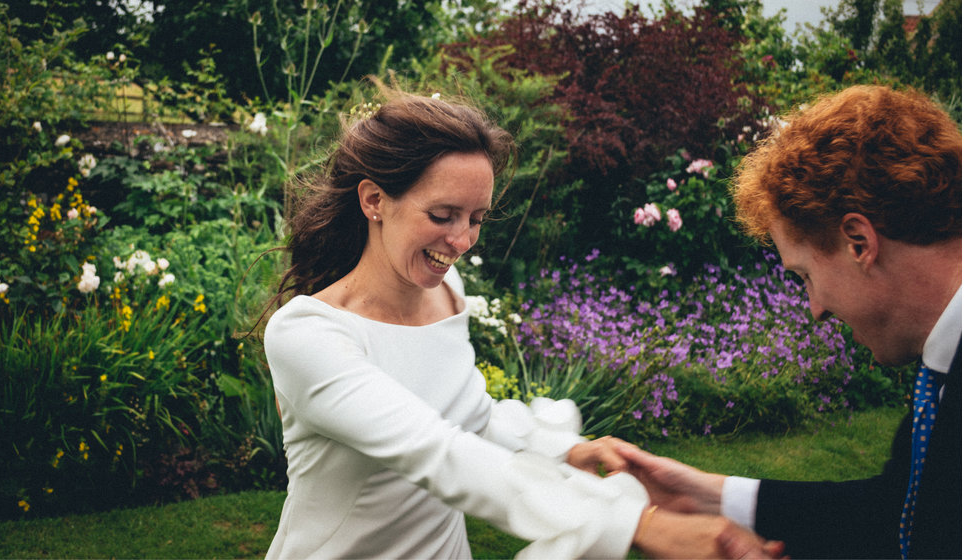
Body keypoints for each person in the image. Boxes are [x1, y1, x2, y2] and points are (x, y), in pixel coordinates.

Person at [261, 82, 780, 559]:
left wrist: (567, 450)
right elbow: (435, 449)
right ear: (374, 200)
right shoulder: (309, 335)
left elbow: (471, 417)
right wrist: (638, 525)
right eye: (442, 216)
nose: (462, 241)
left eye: (476, 219)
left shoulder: (447, 294)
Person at [620, 85, 961, 559]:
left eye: (805, 276)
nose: (815, 307)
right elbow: (900, 513)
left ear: (858, 242)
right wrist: (703, 495)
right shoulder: (946, 367)